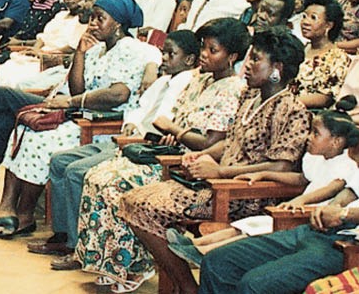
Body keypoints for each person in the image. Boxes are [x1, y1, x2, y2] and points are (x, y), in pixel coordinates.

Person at [119, 28, 311, 294]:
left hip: (245, 195)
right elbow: (230, 142)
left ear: (277, 68)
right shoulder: (251, 96)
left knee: (142, 207)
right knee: (131, 200)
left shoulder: (291, 109)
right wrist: (202, 156)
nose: (247, 66)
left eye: (255, 59)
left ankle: (187, 285)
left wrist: (222, 172)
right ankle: (184, 280)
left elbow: (282, 166)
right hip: (218, 182)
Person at [66, 19, 250, 284]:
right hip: (169, 152)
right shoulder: (199, 80)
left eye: (213, 50)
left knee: (113, 184)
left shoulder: (234, 89)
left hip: (187, 167)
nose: (204, 55)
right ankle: (105, 264)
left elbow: (211, 144)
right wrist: (171, 132)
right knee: (96, 176)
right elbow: (177, 119)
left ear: (232, 57)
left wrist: (175, 130)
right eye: (203, 48)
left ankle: (131, 266)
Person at [0, 0, 157, 238]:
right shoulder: (98, 50)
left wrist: (72, 102)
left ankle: (23, 215)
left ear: (118, 23)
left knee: (41, 138)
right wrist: (80, 54)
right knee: (23, 128)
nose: (93, 24)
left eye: (100, 18)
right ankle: (7, 209)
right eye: (92, 18)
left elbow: (118, 94)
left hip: (105, 125)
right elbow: (79, 88)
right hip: (79, 115)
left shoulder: (131, 50)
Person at [27, 30, 200, 266]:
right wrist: (130, 124)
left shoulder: (189, 83)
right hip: (128, 138)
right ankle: (64, 235)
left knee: (77, 171)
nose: (165, 59)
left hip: (146, 147)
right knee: (59, 161)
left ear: (189, 60)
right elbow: (140, 109)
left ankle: (81, 248)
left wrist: (142, 133)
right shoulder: (162, 81)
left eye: (171, 54)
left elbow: (167, 121)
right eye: (164, 53)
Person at [166, 109, 359, 267]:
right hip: (292, 212)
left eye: (316, 133)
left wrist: (301, 200)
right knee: (243, 226)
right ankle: (195, 244)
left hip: (307, 218)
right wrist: (264, 174)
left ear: (336, 141)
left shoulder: (347, 166)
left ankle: (203, 253)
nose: (309, 137)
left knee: (253, 233)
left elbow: (331, 189)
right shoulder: (315, 159)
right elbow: (301, 178)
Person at [198, 130, 359, 294]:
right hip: (326, 229)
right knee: (218, 262)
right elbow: (353, 189)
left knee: (255, 285)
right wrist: (333, 207)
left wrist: (344, 215)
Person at [0, 0, 87, 89]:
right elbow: (43, 37)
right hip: (39, 55)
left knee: (16, 79)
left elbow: (71, 47)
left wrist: (44, 54)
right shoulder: (61, 15)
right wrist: (35, 49)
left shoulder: (84, 20)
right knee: (2, 70)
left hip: (53, 61)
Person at [294, 0, 351, 110]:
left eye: (313, 18)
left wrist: (290, 102)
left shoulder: (337, 57)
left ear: (328, 25)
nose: (305, 22)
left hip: (310, 113)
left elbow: (326, 98)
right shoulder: (299, 49)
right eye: (304, 16)